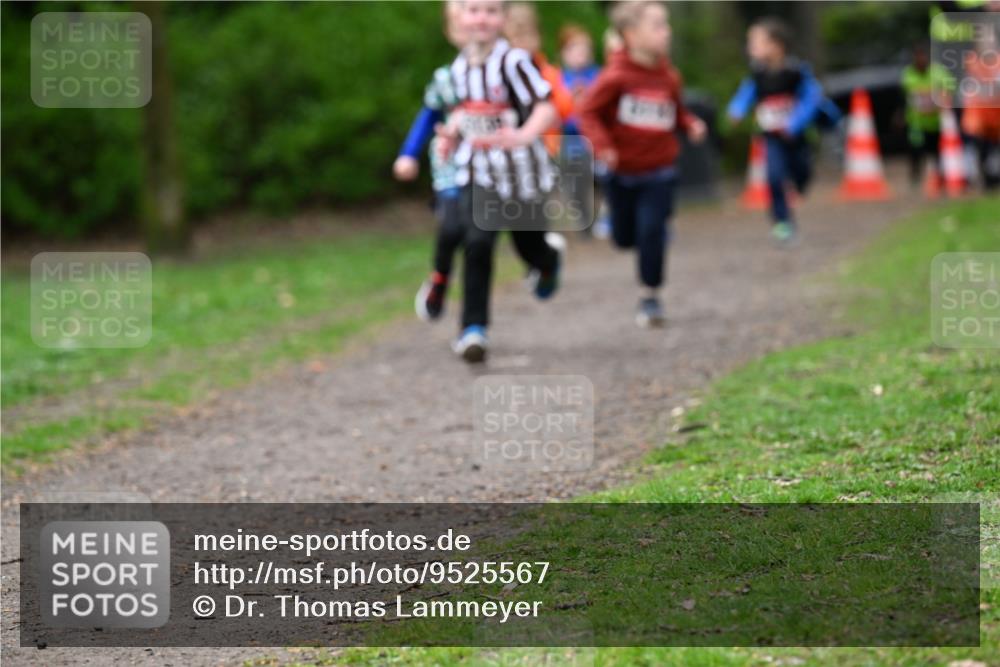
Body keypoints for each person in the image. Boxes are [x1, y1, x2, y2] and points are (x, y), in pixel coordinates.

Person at [435, 0, 565, 363]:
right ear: (460, 17)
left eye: (491, 11)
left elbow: (548, 105)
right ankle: (473, 329)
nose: (482, 18)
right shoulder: (460, 67)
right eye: (474, 10)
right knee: (477, 241)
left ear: (503, 19)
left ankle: (548, 260)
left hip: (522, 174)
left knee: (529, 247)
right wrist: (452, 133)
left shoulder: (514, 62)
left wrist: (524, 135)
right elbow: (467, 110)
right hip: (479, 171)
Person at [579, 0, 707, 328]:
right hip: (622, 172)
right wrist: (603, 145)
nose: (668, 32)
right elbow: (588, 113)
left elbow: (674, 110)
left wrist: (689, 123)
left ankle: (650, 296)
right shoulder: (616, 76)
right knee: (625, 238)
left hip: (661, 169)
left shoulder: (669, 76)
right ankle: (621, 229)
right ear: (631, 34)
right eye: (658, 26)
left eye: (666, 24)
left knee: (652, 230)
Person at [393, 0, 465, 321]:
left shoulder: (506, 70)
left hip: (496, 168)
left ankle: (540, 257)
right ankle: (440, 278)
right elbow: (428, 116)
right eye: (459, 20)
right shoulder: (445, 78)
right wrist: (408, 154)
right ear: (450, 32)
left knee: (481, 234)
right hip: (451, 168)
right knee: (451, 228)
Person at [726, 17, 823, 244]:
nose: (750, 48)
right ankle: (782, 222)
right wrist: (737, 110)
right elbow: (745, 94)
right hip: (772, 137)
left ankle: (800, 184)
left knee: (802, 171)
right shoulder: (757, 74)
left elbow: (811, 99)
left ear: (776, 45)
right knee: (774, 176)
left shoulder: (797, 71)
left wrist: (794, 124)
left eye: (756, 42)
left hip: (797, 136)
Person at [504, 2, 575, 154]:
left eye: (529, 34)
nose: (524, 41)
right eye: (517, 36)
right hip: (511, 150)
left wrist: (568, 100)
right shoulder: (501, 73)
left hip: (547, 148)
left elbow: (563, 107)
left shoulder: (547, 72)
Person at [900, 44, 950, 190]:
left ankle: (940, 178)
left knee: (937, 151)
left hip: (935, 122)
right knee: (915, 150)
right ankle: (916, 177)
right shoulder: (908, 74)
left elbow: (947, 91)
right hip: (916, 123)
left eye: (923, 56)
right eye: (918, 56)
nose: (921, 59)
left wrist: (941, 100)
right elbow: (905, 96)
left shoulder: (938, 73)